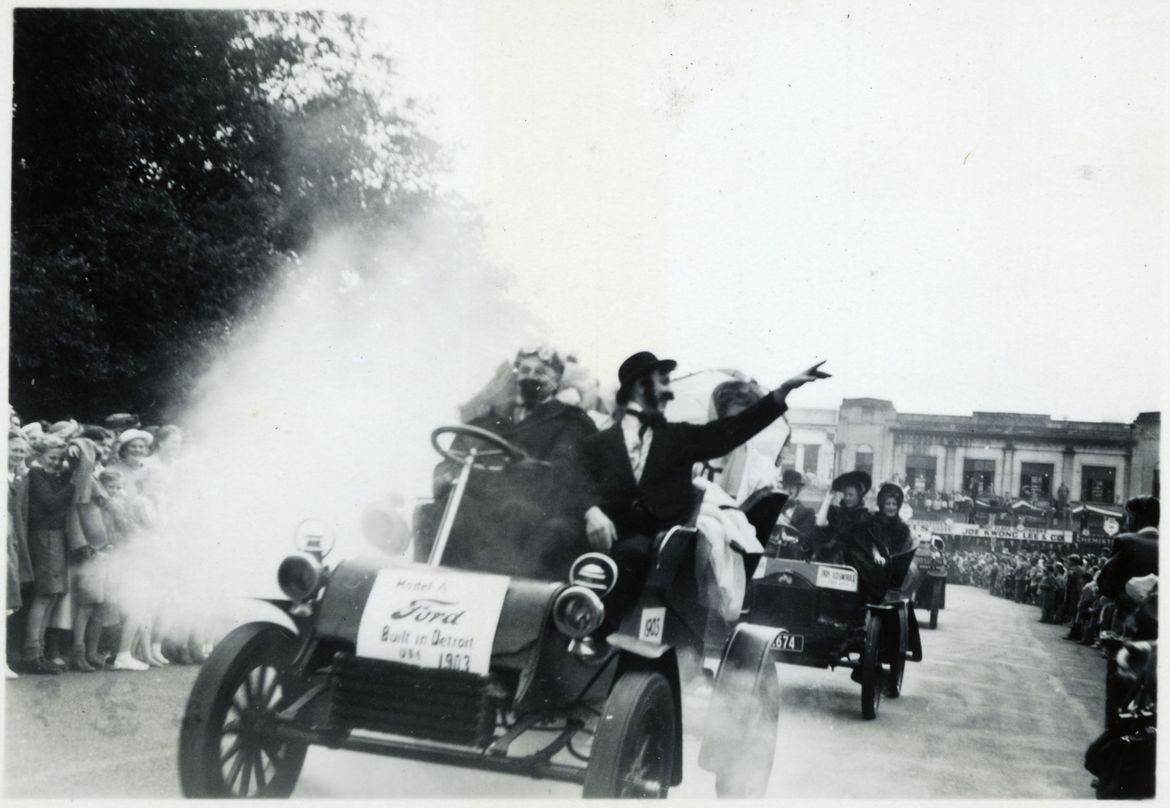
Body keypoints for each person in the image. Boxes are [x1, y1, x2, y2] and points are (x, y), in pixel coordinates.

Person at [580, 351, 829, 628]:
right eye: (663, 382)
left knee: (631, 555)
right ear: (640, 387)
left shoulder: (678, 438)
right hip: (595, 535)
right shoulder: (597, 443)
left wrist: (783, 390)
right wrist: (591, 511)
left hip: (651, 544)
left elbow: (732, 431)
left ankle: (595, 631)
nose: (668, 391)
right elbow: (574, 482)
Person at [424, 346, 599, 578]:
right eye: (525, 369)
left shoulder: (571, 422)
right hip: (482, 504)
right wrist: (445, 474)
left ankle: (496, 597)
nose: (530, 376)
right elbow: (455, 455)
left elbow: (565, 470)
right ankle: (425, 586)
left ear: (556, 380)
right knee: (432, 512)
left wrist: (528, 466)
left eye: (540, 372)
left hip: (538, 507)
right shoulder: (487, 420)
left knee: (514, 511)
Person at [20, 435, 76, 673]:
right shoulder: (36, 475)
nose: (56, 462)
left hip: (54, 536)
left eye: (59, 459)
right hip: (44, 535)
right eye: (52, 457)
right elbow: (51, 503)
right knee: (45, 595)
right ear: (38, 455)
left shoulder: (53, 475)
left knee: (52, 596)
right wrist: (73, 483)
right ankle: (32, 654)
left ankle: (39, 652)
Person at [813, 470, 888, 603]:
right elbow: (820, 523)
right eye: (845, 494)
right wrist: (828, 498)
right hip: (833, 553)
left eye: (851, 495)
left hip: (858, 558)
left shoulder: (866, 517)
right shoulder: (836, 513)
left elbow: (872, 540)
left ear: (859, 496)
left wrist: (877, 555)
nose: (847, 498)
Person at [772, 469, 817, 559]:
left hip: (792, 555)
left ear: (798, 490)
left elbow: (806, 540)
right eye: (785, 486)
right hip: (771, 551)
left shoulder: (807, 513)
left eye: (792, 487)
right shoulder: (773, 509)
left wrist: (790, 537)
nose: (788, 490)